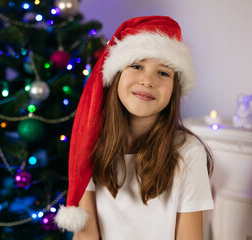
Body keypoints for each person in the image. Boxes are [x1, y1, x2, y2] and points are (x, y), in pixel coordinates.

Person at [55, 16, 214, 240]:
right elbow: (86, 236)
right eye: (137, 66)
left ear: (174, 89)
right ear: (116, 75)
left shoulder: (188, 152)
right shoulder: (92, 141)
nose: (148, 80)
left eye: (163, 72)